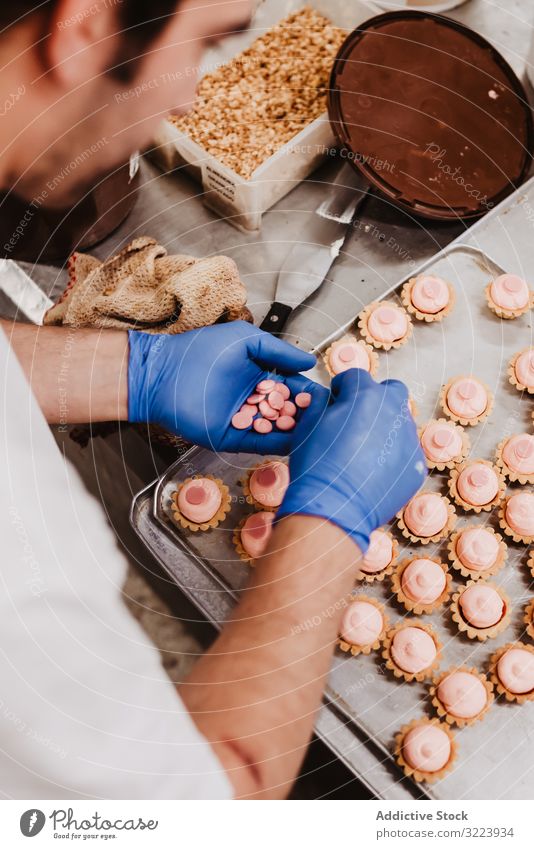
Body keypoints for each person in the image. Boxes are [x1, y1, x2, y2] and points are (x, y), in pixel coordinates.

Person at [0, 1, 426, 799]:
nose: (190, 98)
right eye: (204, 43)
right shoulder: (19, 554)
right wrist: (331, 518)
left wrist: (137, 369)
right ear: (86, 24)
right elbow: (203, 801)